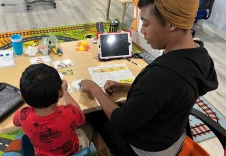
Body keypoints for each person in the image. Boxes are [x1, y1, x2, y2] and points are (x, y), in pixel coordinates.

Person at [80, 0, 219, 155]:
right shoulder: (201, 55)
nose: (142, 30)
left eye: (146, 24)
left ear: (170, 24)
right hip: (174, 139)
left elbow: (122, 123)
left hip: (147, 149)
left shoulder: (161, 76)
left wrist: (95, 88)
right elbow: (168, 94)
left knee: (93, 113)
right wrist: (127, 87)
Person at [13, 63, 93, 156]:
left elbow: (16, 122)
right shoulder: (70, 113)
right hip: (72, 152)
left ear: (22, 97)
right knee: (89, 127)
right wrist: (65, 91)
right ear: (60, 93)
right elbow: (79, 115)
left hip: (41, 154)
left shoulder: (22, 115)